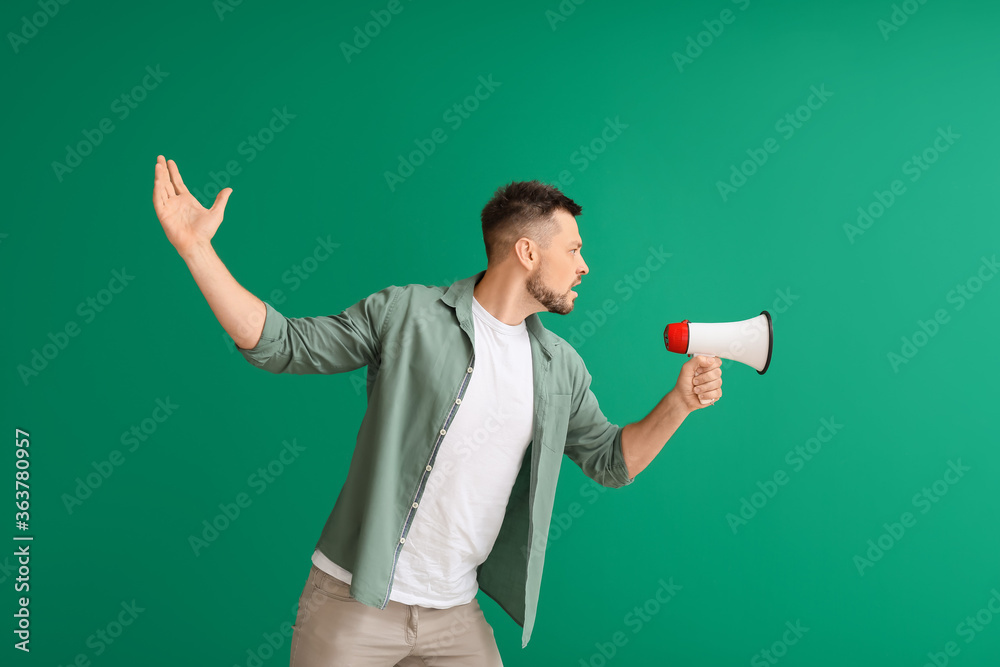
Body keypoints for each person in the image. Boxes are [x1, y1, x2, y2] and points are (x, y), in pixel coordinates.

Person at [151, 155, 723, 666]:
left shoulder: (559, 366)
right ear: (527, 252)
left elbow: (610, 461)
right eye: (573, 249)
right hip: (355, 599)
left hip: (455, 613)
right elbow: (284, 345)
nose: (584, 266)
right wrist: (198, 251)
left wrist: (679, 402)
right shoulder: (406, 315)